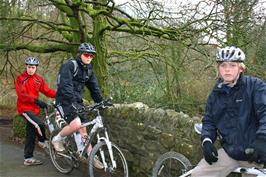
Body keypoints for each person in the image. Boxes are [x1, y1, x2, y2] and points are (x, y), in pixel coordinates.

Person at [191, 46, 266, 177]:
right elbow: (209, 121)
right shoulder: (215, 95)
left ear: (241, 68)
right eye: (223, 65)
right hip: (231, 153)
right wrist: (207, 141)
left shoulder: (255, 86)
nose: (227, 69)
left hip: (256, 153)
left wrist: (262, 139)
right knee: (198, 174)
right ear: (218, 68)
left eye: (232, 65)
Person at [52, 42, 103, 168]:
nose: (89, 58)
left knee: (83, 129)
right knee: (76, 124)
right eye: (86, 55)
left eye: (92, 56)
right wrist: (71, 101)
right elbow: (65, 86)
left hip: (77, 101)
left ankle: (90, 155)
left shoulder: (89, 69)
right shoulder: (70, 65)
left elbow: (94, 88)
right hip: (64, 100)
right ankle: (57, 139)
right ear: (80, 54)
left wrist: (101, 102)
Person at [15, 57, 57, 166]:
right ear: (26, 67)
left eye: (33, 67)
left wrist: (60, 94)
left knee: (31, 133)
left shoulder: (38, 80)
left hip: (35, 110)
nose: (30, 69)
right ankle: (43, 141)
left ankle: (28, 158)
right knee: (39, 124)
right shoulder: (20, 79)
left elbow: (47, 91)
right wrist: (36, 100)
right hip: (24, 108)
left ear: (36, 68)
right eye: (29, 67)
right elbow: (22, 95)